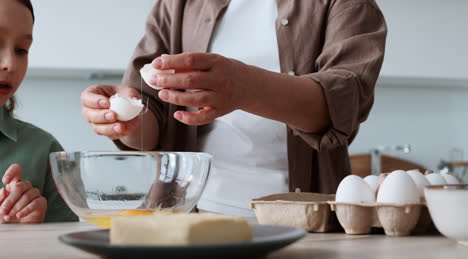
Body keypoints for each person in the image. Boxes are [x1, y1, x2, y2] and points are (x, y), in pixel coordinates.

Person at [81, 0, 387, 217]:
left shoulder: (347, 4)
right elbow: (151, 121)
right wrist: (129, 117)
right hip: (193, 215)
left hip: (307, 219)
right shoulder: (177, 6)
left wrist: (246, 87)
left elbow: (343, 105)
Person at [0, 0, 77, 223]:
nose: (10, 64)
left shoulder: (47, 151)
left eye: (21, 50)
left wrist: (36, 228)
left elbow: (66, 251)